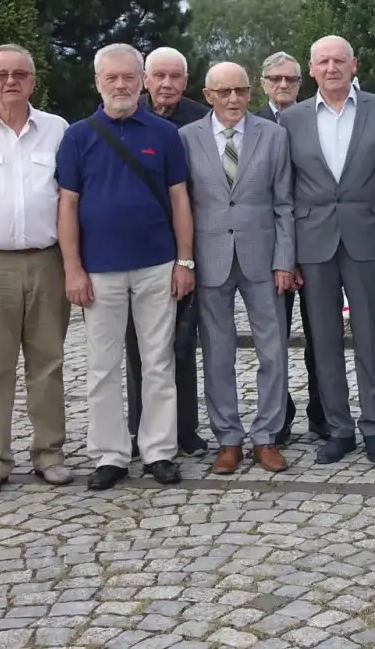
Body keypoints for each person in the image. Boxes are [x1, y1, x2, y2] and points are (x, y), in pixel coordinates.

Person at [56, 43, 196, 490]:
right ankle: (110, 454)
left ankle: (158, 451)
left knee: (158, 361)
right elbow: (67, 205)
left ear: (142, 81)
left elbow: (180, 200)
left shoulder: (164, 134)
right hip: (99, 270)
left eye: (129, 77)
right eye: (112, 78)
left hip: (157, 265)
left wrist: (184, 260)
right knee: (102, 366)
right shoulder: (77, 137)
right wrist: (72, 269)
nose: (121, 85)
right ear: (97, 82)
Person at [277, 35, 375, 465]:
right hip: (312, 243)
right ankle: (339, 429)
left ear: (354, 65)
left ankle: (374, 427)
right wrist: (287, 256)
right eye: (323, 62)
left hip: (368, 240)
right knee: (324, 341)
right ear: (311, 69)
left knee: (370, 338)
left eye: (339, 60)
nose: (331, 68)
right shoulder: (291, 120)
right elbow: (284, 192)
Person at [181, 62, 293, 474]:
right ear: (208, 95)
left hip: (262, 258)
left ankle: (266, 436)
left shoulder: (274, 135)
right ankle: (228, 439)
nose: (234, 99)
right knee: (217, 352)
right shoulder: (186, 138)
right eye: (224, 91)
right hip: (210, 258)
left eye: (241, 91)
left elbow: (284, 203)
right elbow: (182, 204)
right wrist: (186, 260)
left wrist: (284, 260)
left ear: (251, 92)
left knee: (273, 350)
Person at [0, 45, 72, 498]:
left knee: (48, 362)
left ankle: (49, 453)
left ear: (33, 81)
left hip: (48, 260)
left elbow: (70, 196)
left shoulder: (57, 130)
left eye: (19, 74)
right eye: (1, 75)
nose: (10, 81)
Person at [126, 46, 209, 459]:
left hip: (190, 245)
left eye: (175, 76)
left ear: (186, 80)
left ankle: (185, 428)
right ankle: (139, 429)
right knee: (138, 346)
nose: (167, 84)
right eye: (159, 76)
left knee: (182, 341)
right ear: (145, 79)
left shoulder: (201, 119)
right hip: (140, 247)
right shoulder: (126, 116)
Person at [255, 51, 327, 443]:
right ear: (263, 82)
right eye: (275, 79)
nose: (283, 85)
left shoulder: (317, 119)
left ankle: (323, 412)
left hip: (317, 243)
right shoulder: (251, 124)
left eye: (291, 79)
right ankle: (278, 415)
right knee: (273, 339)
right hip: (270, 249)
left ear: (302, 83)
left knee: (320, 335)